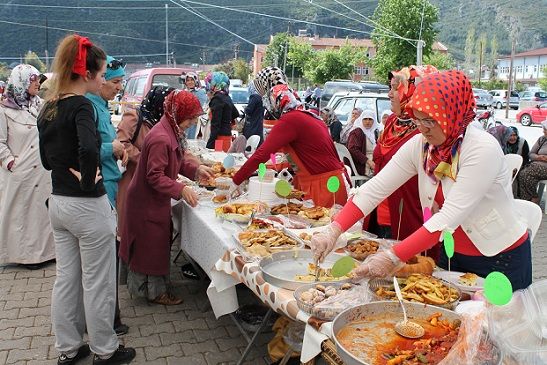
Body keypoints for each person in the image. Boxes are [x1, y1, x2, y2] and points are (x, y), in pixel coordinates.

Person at [312, 70, 532, 291]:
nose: (422, 128)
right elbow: (376, 188)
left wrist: (392, 256)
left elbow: (447, 218)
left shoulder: (481, 149)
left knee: (499, 322)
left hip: (500, 259)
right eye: (418, 119)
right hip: (453, 253)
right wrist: (334, 229)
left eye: (430, 120)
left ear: (453, 113)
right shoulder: (423, 146)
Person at [37, 34, 136, 365]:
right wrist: (88, 173)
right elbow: (90, 147)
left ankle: (67, 347)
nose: (105, 78)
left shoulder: (49, 105)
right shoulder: (81, 105)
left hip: (59, 202)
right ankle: (105, 350)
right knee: (98, 282)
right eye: (103, 72)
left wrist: (73, 171)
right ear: (88, 74)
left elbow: (46, 160)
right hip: (86, 204)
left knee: (66, 279)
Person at [118, 90, 214, 305]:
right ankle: (154, 292)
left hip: (151, 201)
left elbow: (176, 162)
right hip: (145, 203)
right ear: (178, 113)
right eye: (190, 118)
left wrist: (196, 171)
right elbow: (154, 176)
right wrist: (180, 189)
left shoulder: (168, 129)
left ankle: (154, 289)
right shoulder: (162, 137)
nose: (192, 123)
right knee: (150, 248)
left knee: (155, 246)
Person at [231, 83, 348, 208]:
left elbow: (262, 154)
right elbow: (300, 153)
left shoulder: (290, 120)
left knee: (322, 223)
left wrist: (236, 180)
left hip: (323, 186)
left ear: (275, 104)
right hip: (332, 181)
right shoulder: (311, 116)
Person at [85, 55, 129, 336]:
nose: (116, 87)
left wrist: (116, 149)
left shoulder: (101, 106)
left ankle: (111, 316)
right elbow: (84, 149)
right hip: (99, 189)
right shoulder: (86, 108)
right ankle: (105, 323)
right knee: (103, 260)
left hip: (111, 183)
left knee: (110, 256)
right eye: (113, 81)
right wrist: (111, 147)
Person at [370, 65, 438, 242]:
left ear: (414, 91)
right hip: (378, 212)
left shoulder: (427, 133)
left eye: (395, 88)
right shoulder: (393, 121)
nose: (389, 94)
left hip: (407, 216)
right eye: (390, 88)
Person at [0, 64, 55, 268]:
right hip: (21, 173)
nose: (38, 83)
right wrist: (10, 162)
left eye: (38, 80)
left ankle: (47, 252)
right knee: (23, 215)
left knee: (43, 213)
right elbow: (0, 142)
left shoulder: (39, 105)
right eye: (33, 80)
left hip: (42, 170)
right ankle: (26, 256)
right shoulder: (4, 110)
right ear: (21, 81)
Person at [116, 86, 175, 236]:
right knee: (128, 225)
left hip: (151, 182)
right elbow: (121, 143)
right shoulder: (135, 117)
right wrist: (146, 159)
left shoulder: (165, 123)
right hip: (131, 178)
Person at [204, 71, 239, 151]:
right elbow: (235, 113)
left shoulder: (217, 99)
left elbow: (216, 124)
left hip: (219, 138)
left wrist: (209, 145)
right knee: (223, 160)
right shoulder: (226, 97)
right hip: (227, 135)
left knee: (218, 161)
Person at [517, 120, 547, 204]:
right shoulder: (542, 139)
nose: (543, 131)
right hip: (536, 166)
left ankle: (533, 198)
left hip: (543, 169)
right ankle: (528, 200)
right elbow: (531, 154)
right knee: (523, 174)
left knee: (526, 173)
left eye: (545, 129)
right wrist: (538, 157)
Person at [346, 109, 379, 177]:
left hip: (373, 163)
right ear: (361, 119)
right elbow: (353, 149)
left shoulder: (374, 132)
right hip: (361, 165)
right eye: (365, 119)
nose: (367, 122)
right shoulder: (357, 132)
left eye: (370, 119)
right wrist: (368, 161)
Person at [182, 72, 207, 139]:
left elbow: (203, 107)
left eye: (192, 80)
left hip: (196, 122)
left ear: (195, 81)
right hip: (184, 122)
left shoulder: (201, 92)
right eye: (188, 80)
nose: (190, 82)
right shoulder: (183, 93)